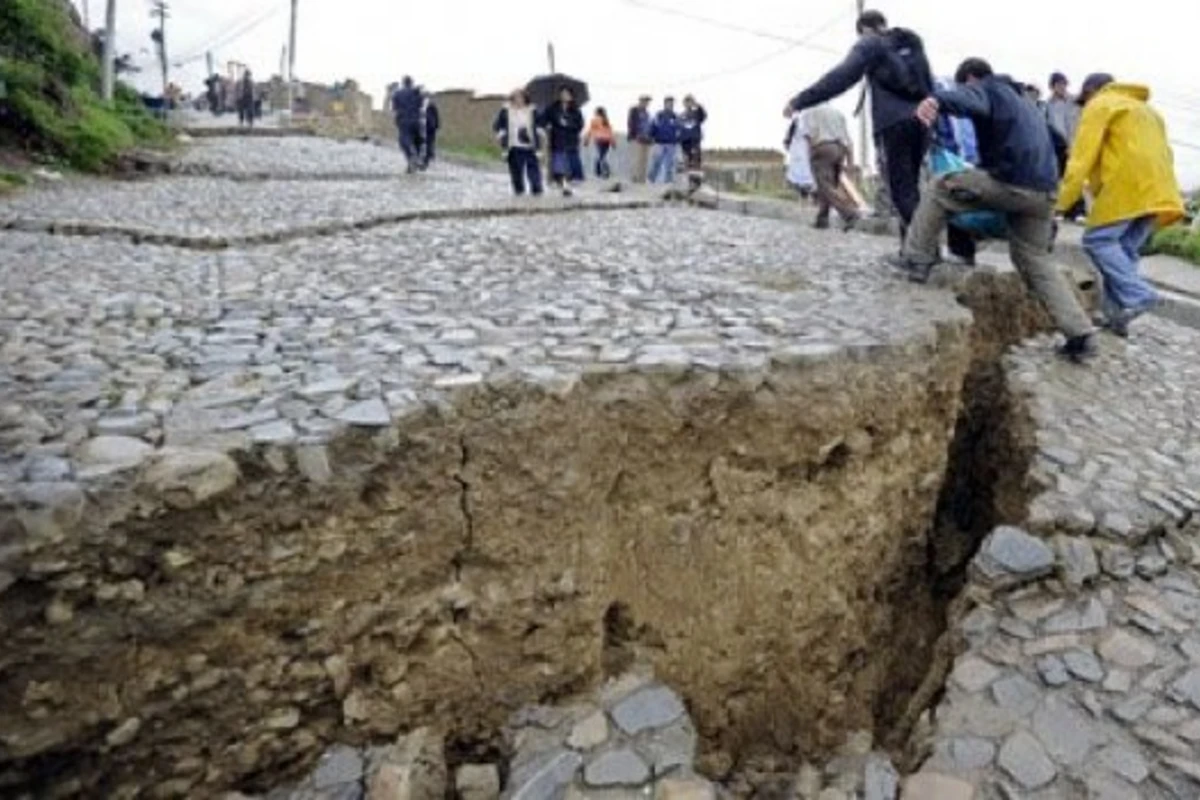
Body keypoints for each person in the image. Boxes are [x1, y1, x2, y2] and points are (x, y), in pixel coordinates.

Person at [894, 58, 1098, 363]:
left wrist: (937, 99)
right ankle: (1081, 334)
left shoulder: (988, 88)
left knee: (940, 188)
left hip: (1012, 183)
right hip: (1044, 193)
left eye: (966, 85)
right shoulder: (1028, 103)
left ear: (972, 78)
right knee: (1033, 258)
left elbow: (970, 99)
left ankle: (916, 260)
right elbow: (1058, 142)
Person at [785, 10, 934, 241]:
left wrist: (800, 101)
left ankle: (922, 254)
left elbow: (842, 77)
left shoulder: (870, 44)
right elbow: (928, 81)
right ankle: (911, 249)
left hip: (893, 124)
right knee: (913, 187)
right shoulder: (911, 40)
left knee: (901, 191)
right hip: (923, 120)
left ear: (864, 29)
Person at [1058, 73, 1185, 338]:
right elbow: (1166, 154)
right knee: (1123, 251)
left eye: (1084, 99)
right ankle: (1116, 317)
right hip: (1159, 189)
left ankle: (1139, 294)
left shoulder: (1102, 103)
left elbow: (1081, 157)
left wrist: (1061, 202)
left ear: (1091, 90)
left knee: (1097, 241)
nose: (1084, 106)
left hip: (1127, 185)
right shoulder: (1149, 112)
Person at [802, 104, 859, 230]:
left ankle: (849, 213)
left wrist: (811, 155)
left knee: (824, 185)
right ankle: (822, 219)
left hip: (823, 148)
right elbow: (848, 139)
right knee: (830, 186)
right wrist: (850, 162)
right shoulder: (838, 113)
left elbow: (809, 136)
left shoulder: (809, 112)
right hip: (840, 149)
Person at [1046, 72, 1085, 221]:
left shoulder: (1075, 101)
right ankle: (1060, 210)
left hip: (1075, 143)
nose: (1062, 87)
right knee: (1059, 178)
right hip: (1058, 146)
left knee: (1075, 177)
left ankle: (1078, 212)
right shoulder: (1048, 105)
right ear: (1052, 86)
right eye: (1058, 84)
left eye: (1064, 84)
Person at [493, 89, 544, 197]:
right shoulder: (506, 110)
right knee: (516, 169)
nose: (518, 100)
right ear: (512, 99)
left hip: (530, 145)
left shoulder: (532, 110)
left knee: (533, 168)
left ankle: (536, 189)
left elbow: (540, 123)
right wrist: (501, 133)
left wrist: (540, 130)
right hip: (513, 144)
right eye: (516, 97)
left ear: (525, 98)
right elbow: (497, 124)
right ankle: (519, 190)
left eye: (521, 97)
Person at [539, 86, 585, 196]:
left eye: (567, 94)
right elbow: (543, 120)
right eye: (563, 93)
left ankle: (568, 185)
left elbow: (580, 125)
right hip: (557, 139)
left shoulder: (576, 110)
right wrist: (544, 127)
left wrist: (568, 124)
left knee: (572, 167)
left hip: (571, 141)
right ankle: (564, 185)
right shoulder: (552, 107)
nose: (565, 96)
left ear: (571, 96)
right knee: (560, 165)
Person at [391, 76, 425, 173]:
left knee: (404, 142)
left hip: (404, 121)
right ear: (411, 83)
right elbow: (421, 105)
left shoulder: (397, 94)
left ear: (403, 83)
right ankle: (416, 160)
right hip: (416, 121)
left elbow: (395, 108)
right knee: (418, 141)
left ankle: (411, 158)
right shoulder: (417, 93)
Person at [649, 96, 681, 184]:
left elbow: (679, 129)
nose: (670, 105)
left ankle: (668, 182)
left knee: (670, 164)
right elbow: (653, 126)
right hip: (659, 143)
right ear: (665, 104)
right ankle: (651, 180)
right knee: (656, 162)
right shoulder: (659, 115)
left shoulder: (675, 116)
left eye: (672, 103)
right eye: (668, 103)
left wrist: (677, 140)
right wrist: (651, 136)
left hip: (671, 144)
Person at [784, 111, 815, 199]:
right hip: (801, 149)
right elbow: (807, 136)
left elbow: (787, 138)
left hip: (797, 149)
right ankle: (805, 192)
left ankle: (803, 192)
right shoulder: (802, 121)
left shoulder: (796, 122)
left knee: (800, 172)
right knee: (804, 171)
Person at [679, 95, 708, 190]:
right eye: (686, 102)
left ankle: (697, 183)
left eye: (690, 101)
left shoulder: (697, 113)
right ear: (684, 103)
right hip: (684, 142)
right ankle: (689, 183)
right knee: (687, 162)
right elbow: (678, 128)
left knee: (696, 161)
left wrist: (697, 105)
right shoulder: (681, 115)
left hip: (694, 140)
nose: (688, 103)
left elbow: (704, 116)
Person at [627, 96, 653, 183]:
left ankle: (642, 179)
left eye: (647, 102)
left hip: (645, 139)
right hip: (636, 138)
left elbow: (648, 125)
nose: (646, 103)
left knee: (644, 160)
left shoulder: (647, 113)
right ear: (640, 101)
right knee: (636, 159)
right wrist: (635, 134)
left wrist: (650, 137)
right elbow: (631, 123)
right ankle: (634, 178)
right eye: (645, 101)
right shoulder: (634, 110)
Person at [584, 107, 616, 179]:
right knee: (602, 156)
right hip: (606, 141)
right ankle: (599, 171)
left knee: (600, 156)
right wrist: (613, 142)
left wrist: (586, 140)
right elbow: (610, 133)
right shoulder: (606, 121)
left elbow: (590, 130)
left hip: (599, 140)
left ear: (597, 113)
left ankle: (603, 171)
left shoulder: (595, 120)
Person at [423, 92, 440, 166]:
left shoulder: (432, 106)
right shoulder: (421, 106)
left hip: (430, 127)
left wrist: (436, 125)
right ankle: (429, 155)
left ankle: (429, 156)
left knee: (430, 142)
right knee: (427, 142)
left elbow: (436, 116)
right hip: (424, 126)